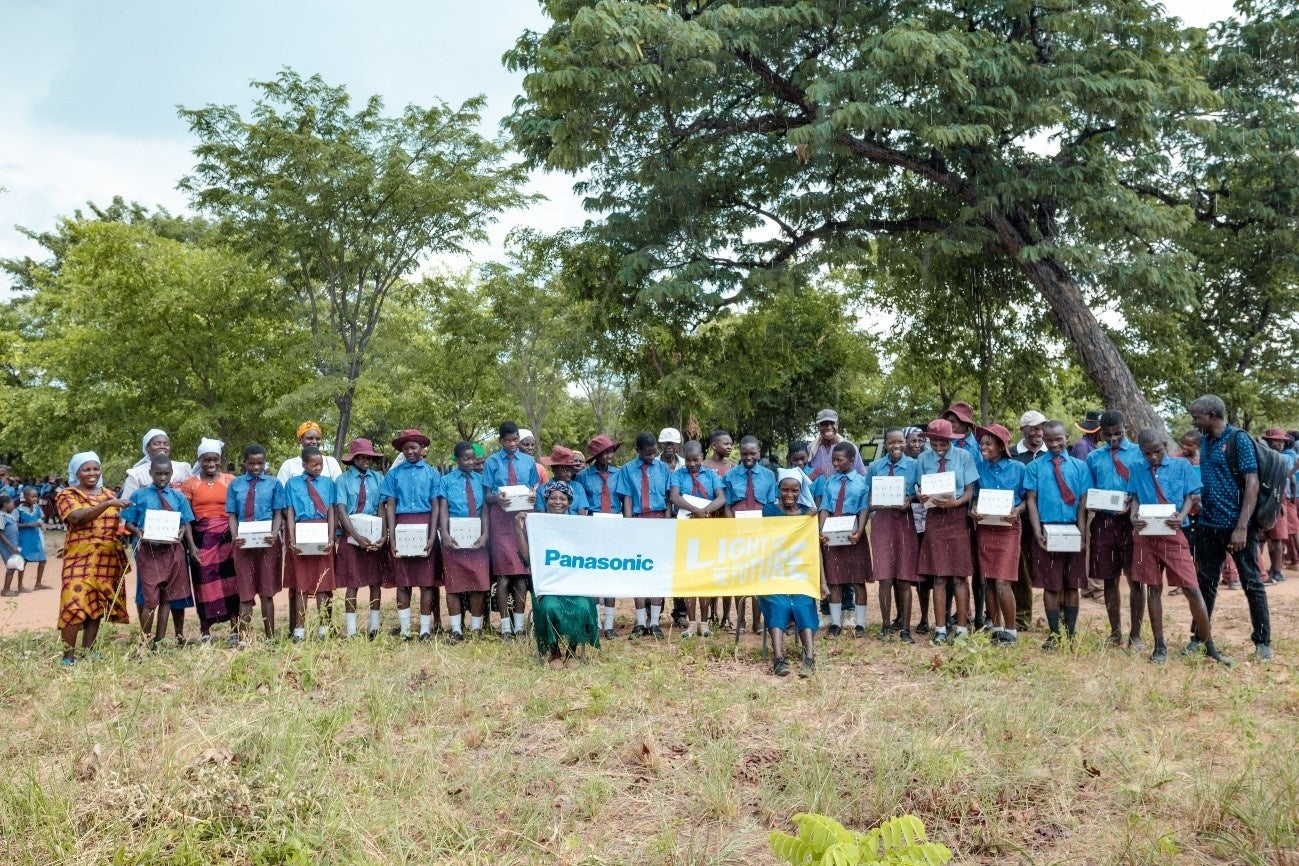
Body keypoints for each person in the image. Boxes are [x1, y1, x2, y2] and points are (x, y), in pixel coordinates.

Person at [1128, 429, 1231, 665]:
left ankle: (1209, 645)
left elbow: (1192, 496)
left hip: (1174, 533)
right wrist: (1134, 517)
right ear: (1141, 452)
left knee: (1192, 588)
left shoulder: (1181, 466)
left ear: (1165, 445)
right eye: (1147, 454)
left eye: (1157, 451)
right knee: (1153, 589)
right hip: (1145, 535)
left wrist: (1181, 515)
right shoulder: (1136, 468)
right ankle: (1159, 646)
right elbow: (1134, 497)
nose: (1153, 457)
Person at [1188, 395, 1271, 661]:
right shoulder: (1204, 441)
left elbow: (1252, 484)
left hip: (1237, 527)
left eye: (1197, 416)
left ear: (1213, 415)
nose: (1193, 421)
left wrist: (1241, 528)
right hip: (1208, 525)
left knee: (1251, 583)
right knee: (1205, 583)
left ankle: (1262, 641)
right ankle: (1199, 638)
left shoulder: (1238, 440)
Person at [55, 453, 132, 665]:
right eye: (86, 470)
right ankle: (68, 656)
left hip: (106, 558)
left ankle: (89, 651)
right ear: (76, 473)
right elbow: (76, 517)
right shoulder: (67, 494)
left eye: (96, 469)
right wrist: (107, 504)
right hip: (79, 558)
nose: (92, 473)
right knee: (73, 603)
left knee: (96, 605)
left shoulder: (108, 493)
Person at [515, 482, 600, 665]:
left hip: (573, 585)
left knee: (584, 606)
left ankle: (571, 651)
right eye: (553, 498)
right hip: (548, 586)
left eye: (563, 499)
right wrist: (518, 528)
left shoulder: (578, 525)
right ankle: (554, 653)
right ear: (546, 501)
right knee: (547, 607)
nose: (558, 502)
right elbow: (528, 559)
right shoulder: (537, 523)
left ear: (569, 503)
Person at [1024, 420, 1092, 649]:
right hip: (1047, 529)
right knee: (1050, 585)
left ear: (1066, 437)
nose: (1054, 444)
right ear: (1043, 438)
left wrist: (1083, 533)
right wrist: (1037, 532)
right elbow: (1031, 500)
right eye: (1049, 439)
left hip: (1073, 528)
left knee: (1072, 585)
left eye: (1058, 439)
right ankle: (1054, 634)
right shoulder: (1035, 467)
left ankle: (1070, 633)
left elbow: (1083, 501)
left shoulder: (1080, 467)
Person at [123, 455, 200, 647]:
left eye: (166, 474)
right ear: (150, 473)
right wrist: (137, 531)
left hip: (173, 551)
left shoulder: (178, 496)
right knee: (150, 599)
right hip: (149, 552)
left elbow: (185, 523)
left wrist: (184, 534)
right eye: (158, 474)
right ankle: (145, 641)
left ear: (172, 473)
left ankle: (159, 640)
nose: (163, 478)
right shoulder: (139, 496)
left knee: (167, 597)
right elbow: (128, 523)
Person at [1084, 410, 1145, 647]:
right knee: (1109, 579)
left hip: (1131, 523)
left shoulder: (1139, 453)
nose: (1113, 439)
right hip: (1104, 522)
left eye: (1118, 434)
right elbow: (1088, 490)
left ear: (1126, 427)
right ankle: (1115, 632)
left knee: (1135, 579)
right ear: (1101, 432)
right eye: (1108, 435)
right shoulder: (1094, 457)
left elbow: (1145, 486)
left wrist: (1133, 502)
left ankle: (1136, 634)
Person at [916, 419, 977, 645]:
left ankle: (962, 627)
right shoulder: (923, 459)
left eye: (943, 445)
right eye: (934, 445)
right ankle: (940, 628)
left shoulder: (964, 457)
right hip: (935, 518)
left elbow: (970, 490)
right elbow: (919, 488)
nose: (939, 449)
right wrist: (922, 495)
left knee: (960, 576)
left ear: (951, 440)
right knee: (939, 576)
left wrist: (957, 502)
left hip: (957, 517)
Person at [760, 469, 824, 676]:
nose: (790, 494)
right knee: (777, 603)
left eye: (795, 490)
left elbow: (814, 549)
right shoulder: (769, 510)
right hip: (774, 572)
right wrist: (805, 519)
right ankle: (778, 659)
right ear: (778, 489)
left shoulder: (808, 512)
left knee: (804, 602)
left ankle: (809, 658)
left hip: (800, 574)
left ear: (800, 490)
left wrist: (822, 581)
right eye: (785, 490)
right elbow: (778, 533)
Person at [381, 429, 442, 641]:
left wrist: (432, 535)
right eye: (405, 448)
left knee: (426, 582)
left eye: (413, 447)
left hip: (425, 525)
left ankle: (425, 629)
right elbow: (390, 505)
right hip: (402, 525)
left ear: (422, 449)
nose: (409, 451)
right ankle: (406, 629)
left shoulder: (433, 473)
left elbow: (435, 505)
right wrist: (392, 536)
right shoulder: (394, 474)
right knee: (403, 581)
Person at [969, 424, 1026, 644]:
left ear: (1001, 447)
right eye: (982, 443)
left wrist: (1017, 511)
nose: (983, 447)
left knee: (1003, 581)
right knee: (989, 580)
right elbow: (975, 497)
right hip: (985, 528)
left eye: (988, 444)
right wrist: (973, 510)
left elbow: (1026, 499)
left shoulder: (1018, 469)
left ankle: (1011, 631)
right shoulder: (979, 469)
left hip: (1008, 528)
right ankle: (997, 627)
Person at [179, 439, 239, 644]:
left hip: (227, 537)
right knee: (204, 583)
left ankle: (235, 629)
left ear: (220, 460)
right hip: (201, 539)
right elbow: (186, 517)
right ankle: (205, 631)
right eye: (206, 460)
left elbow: (236, 511)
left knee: (231, 582)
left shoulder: (230, 480)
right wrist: (192, 546)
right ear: (200, 460)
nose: (210, 463)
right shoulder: (190, 483)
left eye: (214, 459)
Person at [864, 428, 920, 642]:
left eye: (900, 442)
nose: (896, 446)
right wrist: (874, 502)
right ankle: (886, 627)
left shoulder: (915, 466)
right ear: (885, 444)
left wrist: (911, 499)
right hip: (882, 524)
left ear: (905, 443)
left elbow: (921, 492)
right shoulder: (875, 467)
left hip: (905, 522)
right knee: (885, 577)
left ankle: (906, 629)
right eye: (891, 443)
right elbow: (867, 495)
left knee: (905, 578)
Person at [226, 443, 287, 641]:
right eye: (251, 463)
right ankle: (243, 638)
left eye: (260, 463)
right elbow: (233, 515)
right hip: (243, 544)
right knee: (245, 592)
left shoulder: (274, 484)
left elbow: (278, 514)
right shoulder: (235, 485)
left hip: (268, 543)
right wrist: (235, 537)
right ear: (244, 463)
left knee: (267, 592)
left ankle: (270, 637)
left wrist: (274, 533)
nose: (256, 467)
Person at [484, 422, 539, 640]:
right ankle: (505, 626)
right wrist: (497, 498)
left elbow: (535, 488)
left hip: (522, 519)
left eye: (515, 439)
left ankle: (519, 625)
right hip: (500, 520)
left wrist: (534, 495)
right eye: (508, 440)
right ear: (501, 440)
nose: (513, 444)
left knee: (522, 574)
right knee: (503, 575)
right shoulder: (492, 462)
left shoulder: (528, 461)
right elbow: (487, 495)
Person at [617, 432, 673, 637]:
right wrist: (629, 526)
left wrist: (667, 523)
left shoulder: (664, 469)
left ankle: (655, 622)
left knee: (657, 572)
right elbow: (628, 499)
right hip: (638, 521)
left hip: (659, 521)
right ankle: (640, 622)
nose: (651, 456)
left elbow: (669, 498)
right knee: (639, 571)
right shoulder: (627, 469)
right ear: (638, 451)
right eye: (647, 453)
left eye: (653, 452)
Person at [721, 435, 779, 632]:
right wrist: (732, 527)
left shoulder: (768, 476)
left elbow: (771, 504)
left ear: (759, 453)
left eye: (752, 453)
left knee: (759, 576)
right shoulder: (729, 476)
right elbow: (727, 505)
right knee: (740, 576)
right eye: (745, 453)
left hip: (761, 531)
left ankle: (757, 621)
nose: (748, 457)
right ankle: (741, 621)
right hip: (738, 531)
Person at [333, 438, 389, 640]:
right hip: (351, 535)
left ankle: (374, 627)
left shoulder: (379, 478)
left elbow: (382, 507)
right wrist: (356, 536)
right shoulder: (342, 480)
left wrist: (383, 534)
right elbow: (341, 510)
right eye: (361, 457)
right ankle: (352, 629)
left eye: (369, 457)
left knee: (375, 582)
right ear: (353, 459)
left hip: (373, 535)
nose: (366, 460)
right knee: (352, 583)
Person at [670, 440, 726, 637]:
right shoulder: (677, 475)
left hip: (706, 529)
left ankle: (704, 622)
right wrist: (694, 510)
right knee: (689, 574)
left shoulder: (711, 475)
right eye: (689, 461)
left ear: (702, 457)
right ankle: (691, 622)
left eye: (696, 460)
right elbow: (675, 497)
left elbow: (721, 498)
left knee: (706, 573)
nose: (692, 464)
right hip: (685, 529)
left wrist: (704, 512)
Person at [284, 446, 338, 641]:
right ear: (304, 464)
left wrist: (331, 537)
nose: (318, 468)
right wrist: (292, 538)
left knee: (323, 584)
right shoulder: (292, 484)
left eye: (321, 464)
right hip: (302, 531)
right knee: (302, 585)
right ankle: (300, 629)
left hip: (322, 530)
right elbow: (289, 511)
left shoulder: (328, 483)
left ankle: (324, 627)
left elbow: (332, 511)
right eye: (314, 464)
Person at [819, 441, 871, 637]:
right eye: (833, 460)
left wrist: (859, 531)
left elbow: (864, 508)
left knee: (858, 580)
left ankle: (860, 624)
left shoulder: (861, 481)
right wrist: (822, 530)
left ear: (851, 459)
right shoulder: (830, 482)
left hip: (853, 533)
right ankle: (835, 623)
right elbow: (825, 507)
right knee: (835, 580)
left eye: (839, 460)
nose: (835, 464)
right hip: (833, 533)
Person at [440, 441, 491, 642]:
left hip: (476, 537)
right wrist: (444, 533)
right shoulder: (447, 481)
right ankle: (456, 630)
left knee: (478, 583)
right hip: (454, 537)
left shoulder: (481, 480)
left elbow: (485, 510)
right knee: (453, 585)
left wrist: (485, 534)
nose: (471, 462)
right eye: (466, 458)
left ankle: (476, 629)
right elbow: (443, 508)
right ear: (457, 459)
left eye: (473, 458)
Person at [576, 433, 623, 637]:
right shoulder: (583, 476)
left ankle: (610, 624)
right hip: (593, 524)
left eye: (611, 451)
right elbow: (581, 505)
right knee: (595, 572)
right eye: (604, 453)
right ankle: (595, 623)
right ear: (596, 456)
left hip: (614, 523)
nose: (609, 456)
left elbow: (624, 499)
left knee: (611, 573)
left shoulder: (619, 474)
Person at [1259, 427, 1294, 586]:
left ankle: (1277, 570)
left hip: (1278, 502)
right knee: (1260, 538)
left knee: (1277, 538)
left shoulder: (1283, 459)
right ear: (1268, 441)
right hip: (1263, 502)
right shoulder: (1263, 458)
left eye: (1282, 442)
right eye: (1276, 441)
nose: (1279, 444)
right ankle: (1260, 570)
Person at [276, 421, 343, 484]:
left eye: (318, 439)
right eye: (309, 438)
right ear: (300, 440)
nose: (314, 442)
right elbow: (281, 492)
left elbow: (339, 487)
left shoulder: (331, 462)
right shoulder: (288, 465)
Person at [808, 409, 865, 482]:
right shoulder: (811, 449)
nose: (828, 427)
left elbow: (861, 475)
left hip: (843, 492)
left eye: (832, 423)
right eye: (824, 424)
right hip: (816, 493)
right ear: (818, 426)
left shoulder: (850, 448)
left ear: (837, 424)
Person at [536, 446, 590, 514]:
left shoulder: (578, 487)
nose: (569, 474)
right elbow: (541, 514)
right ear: (554, 469)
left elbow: (581, 512)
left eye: (571, 470)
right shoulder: (541, 490)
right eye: (565, 471)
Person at [17, 486, 48, 591]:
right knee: (23, 561)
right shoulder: (19, 510)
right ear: (25, 497)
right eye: (32, 496)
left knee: (43, 560)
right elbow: (15, 525)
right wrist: (28, 524)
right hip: (24, 539)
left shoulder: (37, 508)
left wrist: (42, 525)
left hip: (35, 538)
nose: (35, 499)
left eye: (36, 497)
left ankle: (38, 583)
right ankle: (20, 585)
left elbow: (40, 519)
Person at [0, 496, 23, 596]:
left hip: (12, 544)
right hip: (6, 545)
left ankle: (6, 589)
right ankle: (6, 590)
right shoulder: (1, 516)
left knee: (12, 566)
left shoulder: (9, 515)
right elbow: (0, 533)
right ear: (5, 504)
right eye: (12, 503)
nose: (13, 505)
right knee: (11, 566)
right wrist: (11, 546)